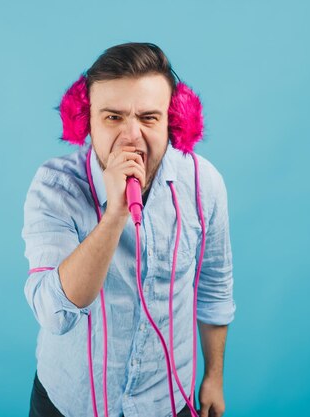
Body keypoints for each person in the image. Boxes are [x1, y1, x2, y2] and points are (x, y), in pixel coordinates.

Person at [22, 42, 236, 417]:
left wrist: (214, 377)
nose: (131, 135)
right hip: (70, 405)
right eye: (113, 117)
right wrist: (115, 214)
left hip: (168, 402)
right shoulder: (55, 188)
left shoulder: (205, 184)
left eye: (149, 118)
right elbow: (55, 314)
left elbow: (214, 288)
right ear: (84, 122)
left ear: (175, 122)